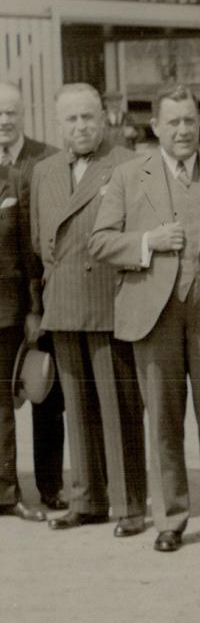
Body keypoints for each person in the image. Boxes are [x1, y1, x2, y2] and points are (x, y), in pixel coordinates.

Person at [89, 84, 200, 553]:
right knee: (163, 421)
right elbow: (100, 241)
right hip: (154, 314)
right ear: (156, 128)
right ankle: (171, 518)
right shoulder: (129, 176)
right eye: (174, 122)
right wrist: (148, 242)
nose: (184, 130)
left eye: (191, 121)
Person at [30, 83, 147, 537]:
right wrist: (41, 307)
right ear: (58, 124)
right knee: (76, 407)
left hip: (109, 303)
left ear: (104, 118)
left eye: (87, 117)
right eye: (71, 119)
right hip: (62, 304)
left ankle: (128, 503)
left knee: (119, 407)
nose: (80, 127)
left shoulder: (128, 165)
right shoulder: (45, 171)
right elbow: (40, 243)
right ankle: (88, 499)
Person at [0, 84, 65, 514]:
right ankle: (7, 492)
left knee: (47, 396)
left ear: (24, 113)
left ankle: (51, 486)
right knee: (1, 399)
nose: (4, 121)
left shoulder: (47, 159)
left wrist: (38, 307)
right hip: (2, 305)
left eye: (11, 112)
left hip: (42, 296)